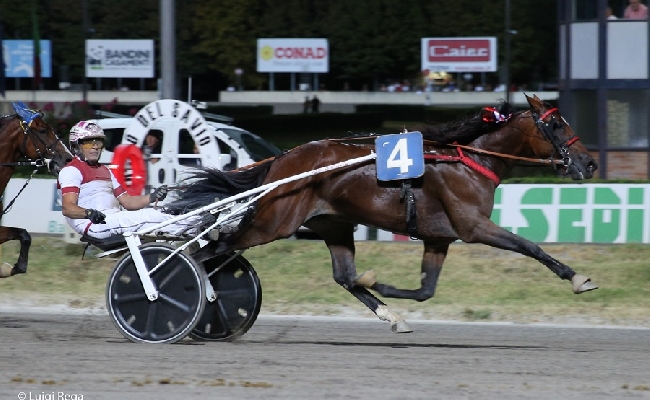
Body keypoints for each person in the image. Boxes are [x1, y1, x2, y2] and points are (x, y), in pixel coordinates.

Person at [58, 121, 202, 240]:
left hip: (113, 219)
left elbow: (128, 202)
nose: (95, 147)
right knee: (150, 216)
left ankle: (195, 227)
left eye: (98, 142)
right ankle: (199, 227)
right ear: (76, 146)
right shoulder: (71, 171)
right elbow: (68, 208)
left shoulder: (106, 170)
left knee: (160, 212)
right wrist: (88, 213)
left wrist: (152, 196)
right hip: (95, 225)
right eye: (89, 143)